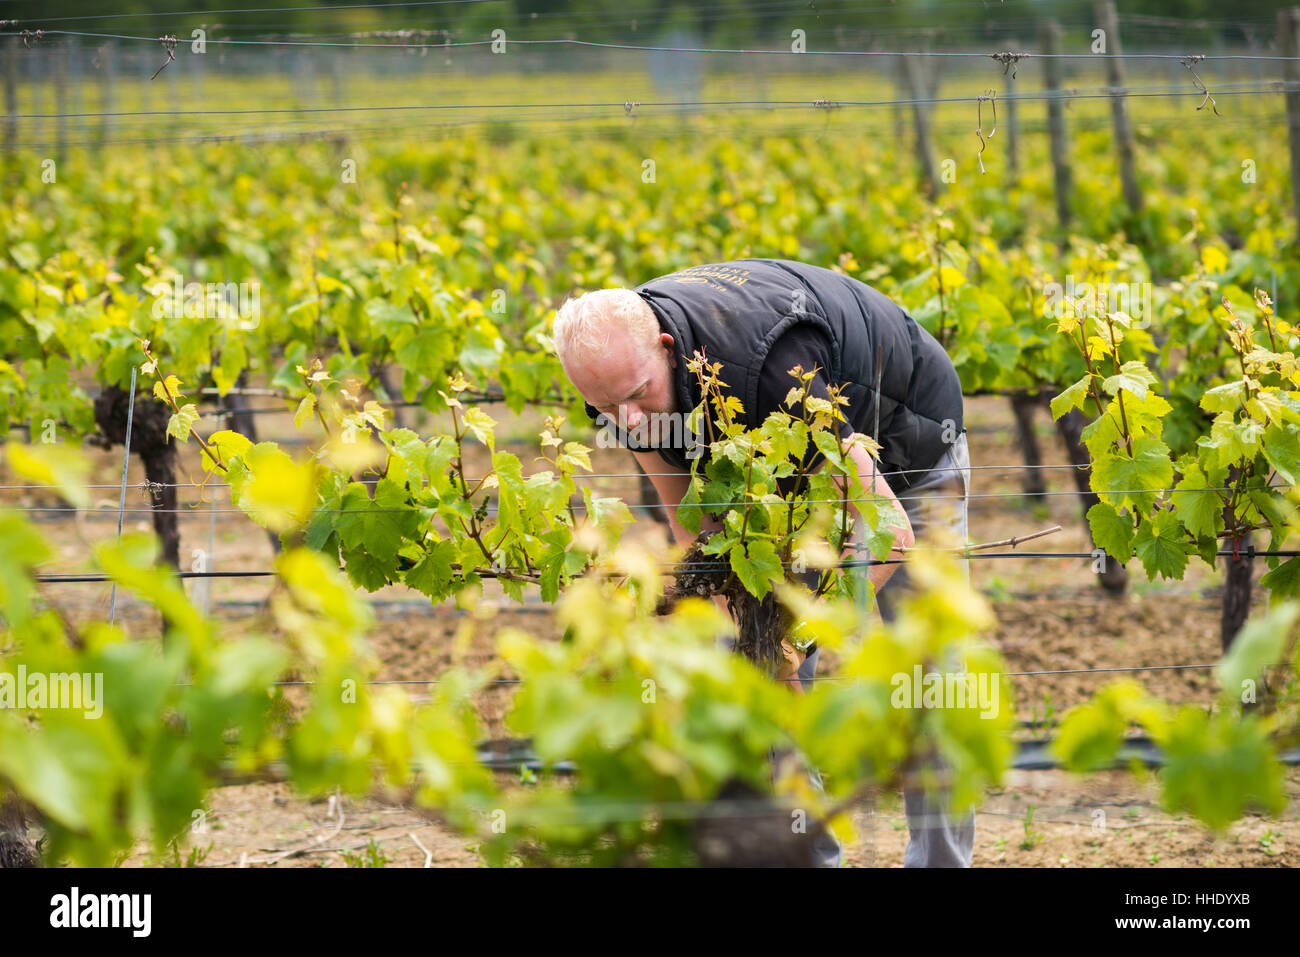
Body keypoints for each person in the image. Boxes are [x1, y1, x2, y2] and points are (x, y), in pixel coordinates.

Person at [552, 258, 973, 867]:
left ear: (667, 349)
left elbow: (888, 532)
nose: (629, 422)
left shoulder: (775, 365)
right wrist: (733, 624)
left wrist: (802, 635)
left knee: (931, 668)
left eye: (638, 396)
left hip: (908, 445)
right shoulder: (623, 390)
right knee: (746, 664)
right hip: (775, 482)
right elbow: (691, 523)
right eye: (606, 408)